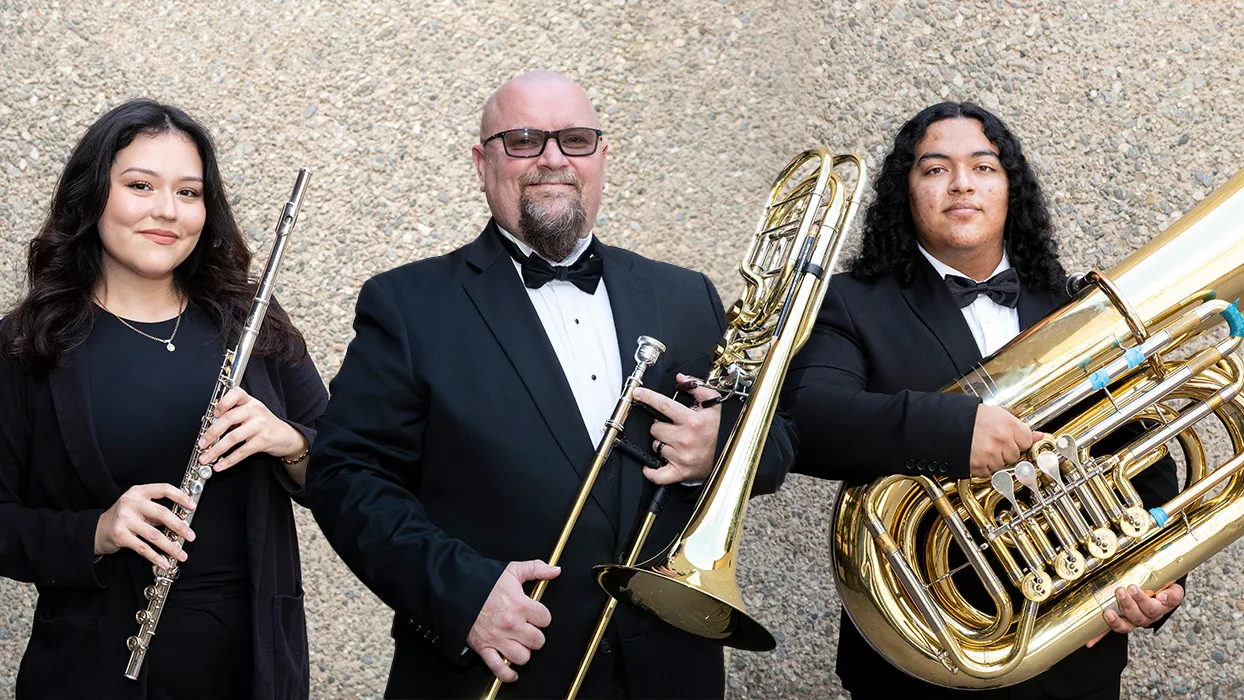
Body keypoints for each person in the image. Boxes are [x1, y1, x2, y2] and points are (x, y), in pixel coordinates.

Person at [306, 71, 797, 699]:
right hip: (497, 670)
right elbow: (345, 474)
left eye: (576, 140)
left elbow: (778, 440)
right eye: (524, 141)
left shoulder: (685, 294)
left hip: (669, 672)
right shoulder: (407, 305)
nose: (553, 159)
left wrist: (719, 450)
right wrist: (461, 593)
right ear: (482, 163)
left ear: (601, 156)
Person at [780, 102, 1183, 700]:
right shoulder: (848, 302)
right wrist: (954, 432)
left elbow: (1145, 459)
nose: (962, 183)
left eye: (984, 167)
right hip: (921, 658)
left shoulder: (1077, 308)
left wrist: (1159, 579)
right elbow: (808, 419)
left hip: (1075, 663)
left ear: (1010, 190)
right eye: (935, 169)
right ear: (906, 193)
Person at [0, 99, 328, 700]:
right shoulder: (27, 345)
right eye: (140, 185)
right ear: (91, 196)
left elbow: (349, 466)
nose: (167, 211)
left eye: (188, 192)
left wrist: (290, 442)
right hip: (91, 673)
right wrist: (95, 532)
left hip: (251, 669)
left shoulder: (251, 320)